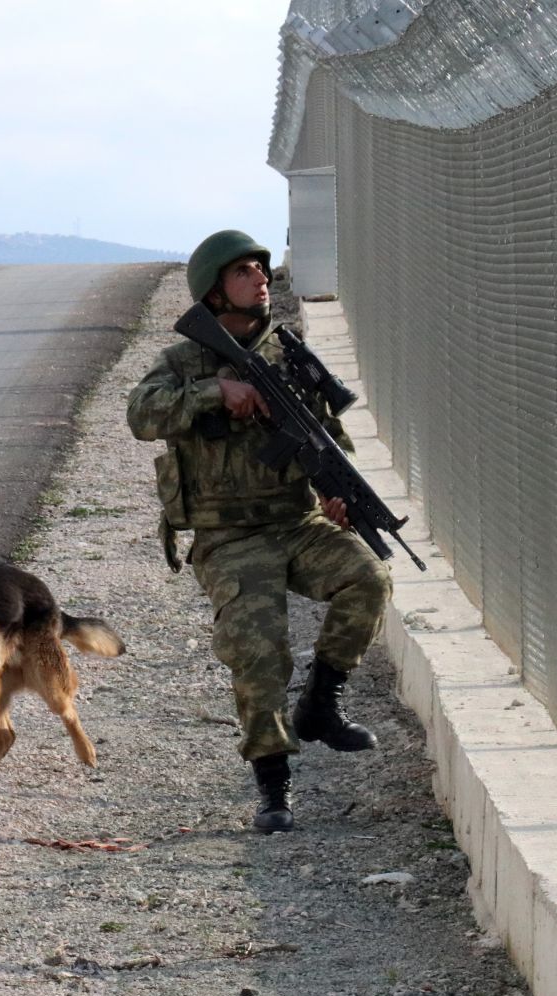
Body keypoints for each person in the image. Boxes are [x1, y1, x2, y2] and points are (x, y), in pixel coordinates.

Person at [126, 230, 391, 832]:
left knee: (368, 579)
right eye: (244, 271)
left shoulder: (288, 356)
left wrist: (335, 494)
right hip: (228, 536)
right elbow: (141, 414)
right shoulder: (184, 360)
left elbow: (328, 441)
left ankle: (321, 704)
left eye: (262, 270)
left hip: (295, 522)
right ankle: (273, 786)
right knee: (258, 649)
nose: (261, 280)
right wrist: (216, 391)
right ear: (215, 291)